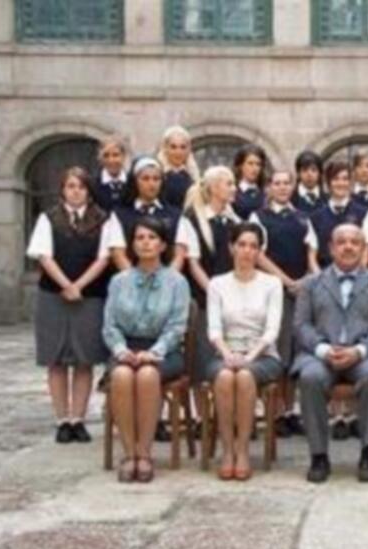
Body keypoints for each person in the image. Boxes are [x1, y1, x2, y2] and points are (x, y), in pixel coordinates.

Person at [292, 224, 368, 483]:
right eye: (342, 242)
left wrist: (359, 351)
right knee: (310, 377)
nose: (348, 247)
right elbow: (300, 325)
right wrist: (323, 350)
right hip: (321, 355)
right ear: (331, 248)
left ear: (363, 249)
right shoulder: (311, 284)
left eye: (354, 242)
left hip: (364, 355)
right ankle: (318, 455)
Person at [26, 167, 111, 443]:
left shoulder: (103, 220)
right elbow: (44, 257)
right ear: (62, 189)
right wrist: (66, 285)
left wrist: (79, 286)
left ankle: (78, 419)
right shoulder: (48, 219)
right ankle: (62, 420)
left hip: (90, 297)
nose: (76, 191)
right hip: (54, 297)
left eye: (82, 187)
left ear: (89, 190)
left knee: (84, 360)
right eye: (71, 186)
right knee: (57, 359)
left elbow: (103, 258)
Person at [103, 217, 191, 483]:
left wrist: (155, 352)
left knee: (147, 376)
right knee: (121, 376)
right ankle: (129, 453)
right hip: (125, 348)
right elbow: (110, 325)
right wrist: (120, 350)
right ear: (133, 244)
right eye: (140, 238)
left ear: (163, 244)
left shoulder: (177, 282)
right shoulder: (119, 281)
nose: (145, 243)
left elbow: (177, 327)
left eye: (152, 238)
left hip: (165, 351)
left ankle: (145, 453)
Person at [206, 223, 284, 481]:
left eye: (253, 246)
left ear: (260, 251)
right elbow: (214, 330)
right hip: (224, 353)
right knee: (227, 376)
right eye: (242, 245)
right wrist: (228, 355)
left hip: (262, 355)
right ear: (231, 248)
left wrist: (249, 358)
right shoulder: (217, 284)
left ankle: (243, 451)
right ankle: (227, 449)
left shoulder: (272, 284)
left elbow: (272, 330)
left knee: (245, 376)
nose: (247, 251)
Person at [251, 170, 318, 437]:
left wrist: (308, 279)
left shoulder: (303, 217)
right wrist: (285, 280)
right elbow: (257, 254)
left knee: (294, 351)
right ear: (269, 187)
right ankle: (273, 412)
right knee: (275, 349)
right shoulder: (259, 217)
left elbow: (311, 252)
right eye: (276, 183)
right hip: (272, 290)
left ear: (293, 186)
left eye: (286, 183)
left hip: (300, 291)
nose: (281, 187)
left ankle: (290, 411)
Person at [177, 165, 242, 434]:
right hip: (203, 299)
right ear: (214, 187)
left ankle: (230, 416)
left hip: (233, 301)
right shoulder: (191, 220)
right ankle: (203, 418)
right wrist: (215, 293)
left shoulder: (235, 222)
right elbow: (193, 264)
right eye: (229, 183)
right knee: (202, 359)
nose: (234, 188)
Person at [309, 161, 368, 269]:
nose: (341, 183)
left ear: (351, 183)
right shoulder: (315, 218)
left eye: (345, 179)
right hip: (324, 279)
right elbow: (312, 258)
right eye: (336, 179)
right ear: (328, 183)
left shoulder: (365, 215)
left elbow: (366, 254)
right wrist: (323, 281)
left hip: (357, 278)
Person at [157, 125, 200, 209]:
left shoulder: (193, 175)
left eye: (183, 147)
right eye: (173, 147)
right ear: (165, 148)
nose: (178, 152)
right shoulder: (157, 174)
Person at [232, 144, 269, 220]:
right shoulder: (233, 192)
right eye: (250, 163)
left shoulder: (267, 193)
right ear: (240, 165)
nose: (254, 168)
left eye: (258, 164)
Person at [92, 136, 129, 212]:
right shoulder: (93, 184)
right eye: (106, 155)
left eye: (115, 155)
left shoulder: (133, 182)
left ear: (124, 156)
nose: (111, 160)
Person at [292, 150, 328, 214]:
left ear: (320, 173)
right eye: (305, 170)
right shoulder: (290, 200)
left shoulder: (328, 201)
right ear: (298, 173)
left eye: (313, 170)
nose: (309, 174)